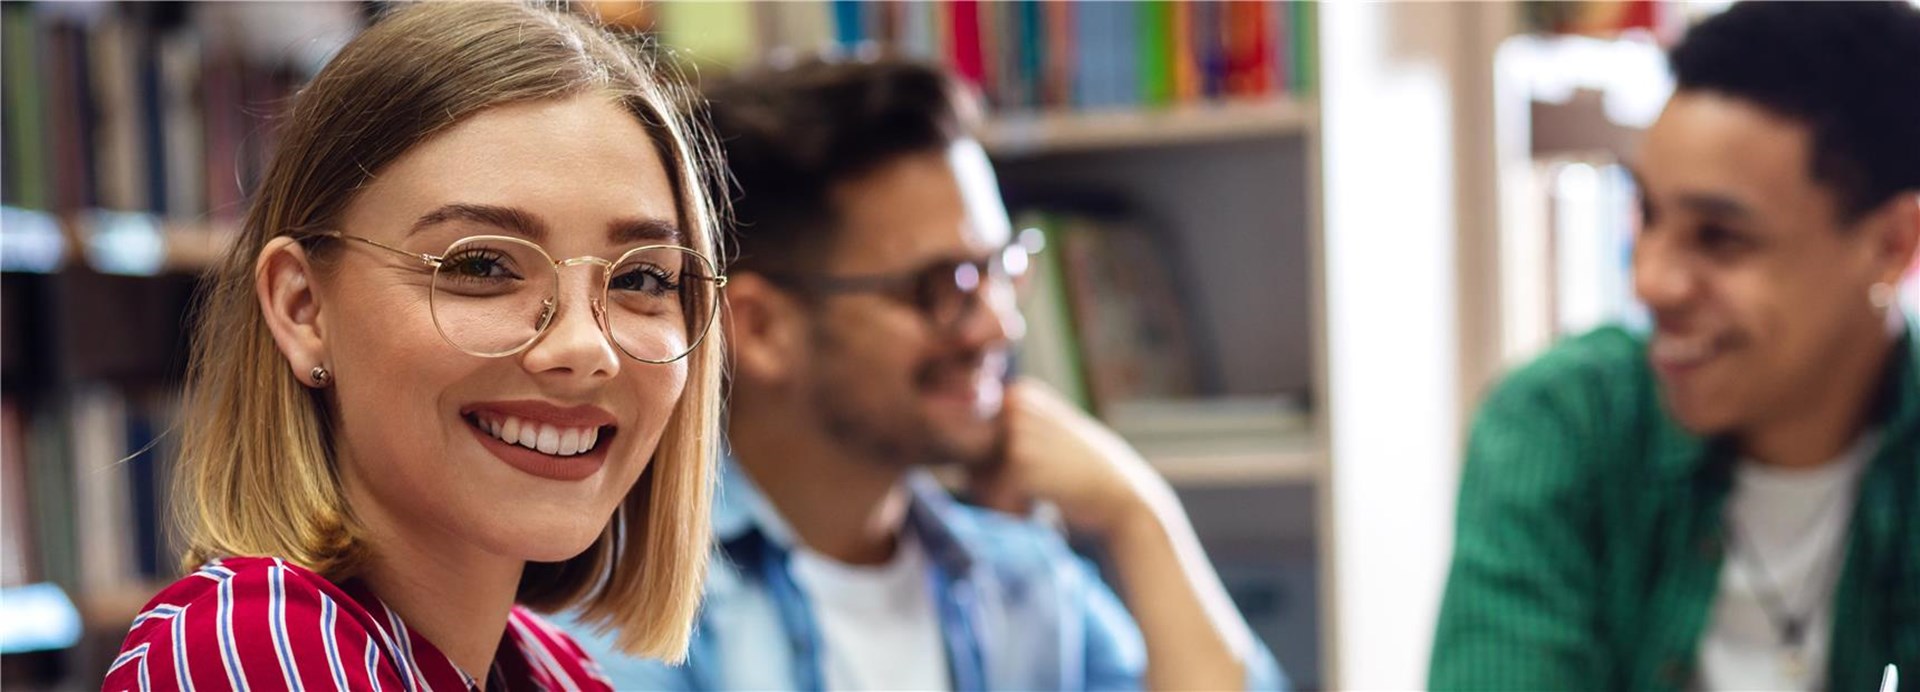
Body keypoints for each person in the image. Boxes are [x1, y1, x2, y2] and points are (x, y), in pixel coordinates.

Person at [557, 58, 1286, 690]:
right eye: (942, 287)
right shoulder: (625, 603)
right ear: (761, 328)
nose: (1000, 325)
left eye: (1002, 269)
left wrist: (1141, 516)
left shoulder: (1017, 577)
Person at [101, 4, 728, 690]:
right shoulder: (251, 649)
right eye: (481, 266)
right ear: (301, 307)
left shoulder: (554, 670)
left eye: (641, 277)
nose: (584, 346)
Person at [1430, 2, 1920, 691]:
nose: (1650, 282)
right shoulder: (1564, 424)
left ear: (1892, 245)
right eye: (1649, 216)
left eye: (1721, 237)